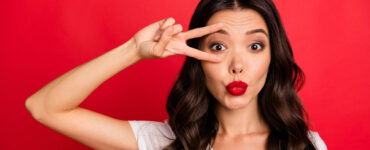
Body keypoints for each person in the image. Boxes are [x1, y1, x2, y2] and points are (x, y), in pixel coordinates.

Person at [25, 0, 327, 149]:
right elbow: (44, 108)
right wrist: (132, 49)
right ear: (196, 58)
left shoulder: (305, 144)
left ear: (273, 58)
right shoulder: (164, 142)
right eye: (219, 46)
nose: (237, 65)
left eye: (255, 46)